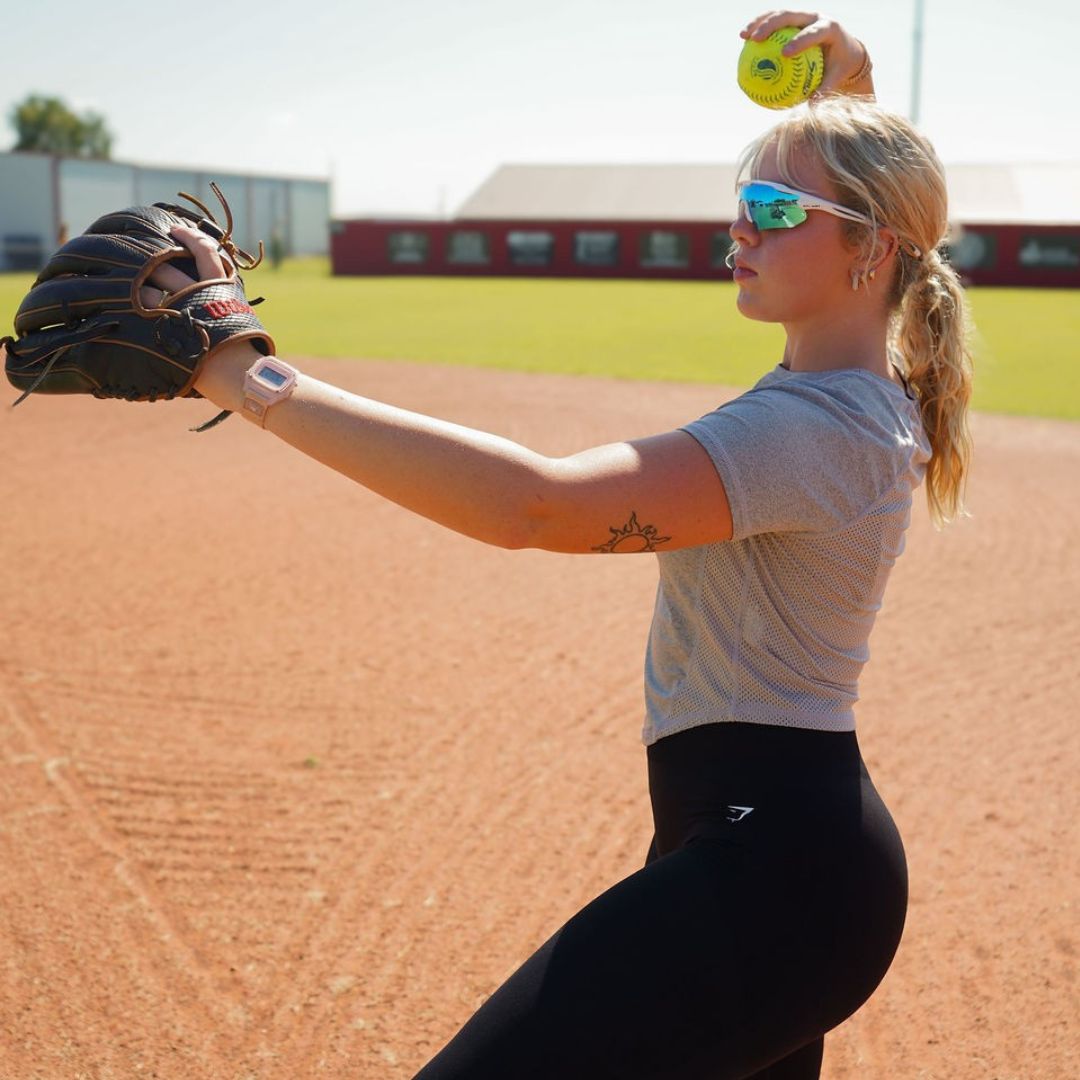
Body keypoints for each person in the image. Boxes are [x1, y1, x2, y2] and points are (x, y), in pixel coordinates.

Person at [150, 11, 972, 1077]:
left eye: (772, 211)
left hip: (775, 871)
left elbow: (533, 506)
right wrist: (848, 94)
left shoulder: (810, 431)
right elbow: (885, 201)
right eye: (740, 209)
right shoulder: (860, 400)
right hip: (777, 855)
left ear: (871, 248)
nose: (742, 234)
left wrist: (240, 370)